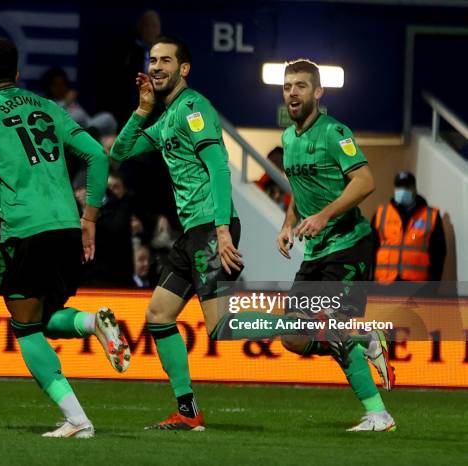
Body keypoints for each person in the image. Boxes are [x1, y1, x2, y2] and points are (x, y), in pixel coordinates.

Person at [110, 37, 344, 431]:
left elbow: (219, 168)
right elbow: (119, 153)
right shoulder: (166, 117)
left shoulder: (194, 108)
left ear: (184, 69)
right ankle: (188, 411)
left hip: (209, 227)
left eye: (166, 60)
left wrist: (222, 231)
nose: (156, 67)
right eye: (152, 60)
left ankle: (321, 329)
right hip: (192, 232)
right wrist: (143, 109)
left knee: (222, 327)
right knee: (158, 315)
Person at [0, 38, 130, 439]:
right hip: (67, 228)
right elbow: (99, 156)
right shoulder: (49, 107)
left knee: (26, 330)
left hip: (25, 231)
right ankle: (90, 322)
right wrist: (91, 217)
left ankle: (78, 421)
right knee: (43, 320)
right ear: (17, 74)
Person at [276, 59, 396, 432]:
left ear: (318, 92)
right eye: (287, 86)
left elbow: (365, 180)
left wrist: (325, 215)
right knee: (292, 337)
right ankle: (364, 340)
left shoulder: (334, 132)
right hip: (315, 251)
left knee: (332, 324)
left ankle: (379, 414)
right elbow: (300, 187)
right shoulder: (288, 138)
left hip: (349, 245)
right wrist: (288, 221)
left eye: (300, 86)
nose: (292, 92)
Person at [373, 170, 446, 283]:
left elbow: (438, 252)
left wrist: (433, 284)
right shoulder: (381, 213)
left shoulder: (430, 216)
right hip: (384, 282)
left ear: (414, 189)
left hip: (417, 285)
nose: (402, 191)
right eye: (399, 187)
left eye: (406, 187)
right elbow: (372, 247)